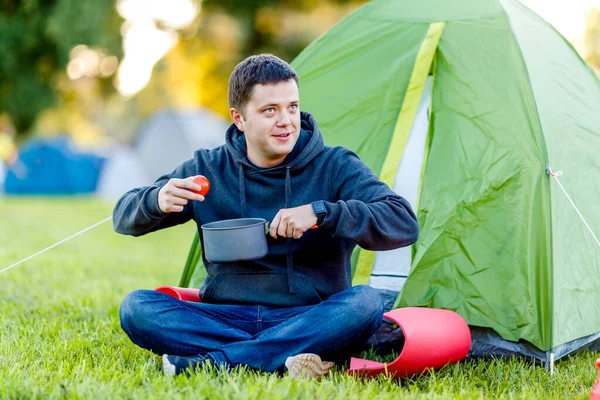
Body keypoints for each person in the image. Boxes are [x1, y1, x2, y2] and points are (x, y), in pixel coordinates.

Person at [114, 54, 419, 378]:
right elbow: (122, 217)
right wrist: (155, 200)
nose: (286, 120)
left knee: (365, 304)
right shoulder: (207, 169)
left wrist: (322, 213)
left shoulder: (335, 166)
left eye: (292, 106)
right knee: (136, 308)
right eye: (270, 110)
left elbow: (402, 221)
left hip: (309, 316)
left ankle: (215, 364)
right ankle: (281, 356)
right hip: (224, 316)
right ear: (239, 118)